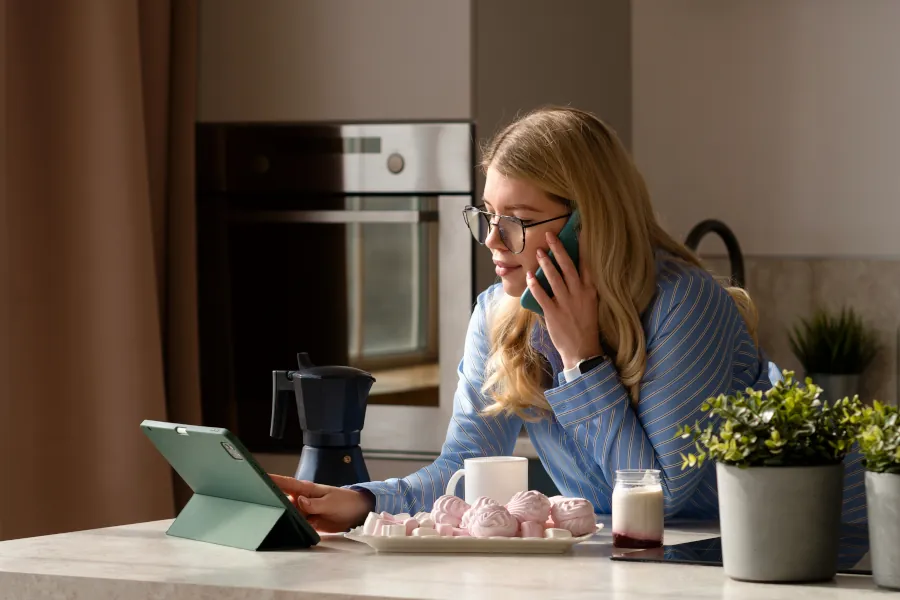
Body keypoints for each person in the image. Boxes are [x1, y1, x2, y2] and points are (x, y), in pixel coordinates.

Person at [272, 106, 866, 532]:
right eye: (487, 215)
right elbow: (463, 468)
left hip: (830, 542)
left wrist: (583, 360)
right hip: (673, 565)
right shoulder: (499, 312)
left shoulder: (685, 304)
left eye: (519, 220)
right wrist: (360, 502)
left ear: (590, 222)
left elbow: (659, 496)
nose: (494, 241)